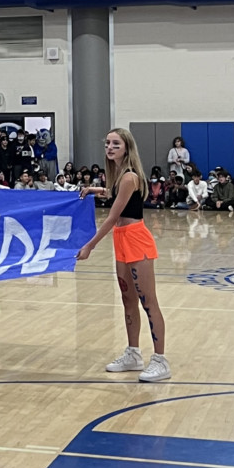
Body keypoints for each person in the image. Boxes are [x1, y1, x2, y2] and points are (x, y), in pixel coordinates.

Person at [76, 128, 170, 383]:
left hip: (136, 239)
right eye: (107, 143)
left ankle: (160, 360)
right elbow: (113, 194)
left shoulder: (129, 177)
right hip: (122, 240)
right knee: (128, 299)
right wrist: (94, 189)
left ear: (126, 148)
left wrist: (89, 246)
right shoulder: (119, 177)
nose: (109, 147)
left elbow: (113, 216)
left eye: (115, 143)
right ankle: (133, 354)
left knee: (148, 302)